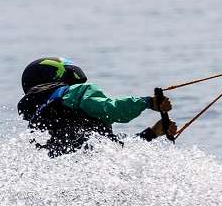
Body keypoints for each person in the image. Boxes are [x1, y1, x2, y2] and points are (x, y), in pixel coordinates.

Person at [17, 57, 177, 157]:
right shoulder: (74, 92)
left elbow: (106, 148)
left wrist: (153, 133)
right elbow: (112, 110)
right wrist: (148, 102)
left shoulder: (36, 120)